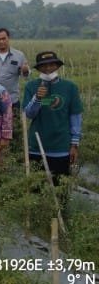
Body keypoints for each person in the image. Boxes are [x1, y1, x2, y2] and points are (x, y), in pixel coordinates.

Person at [23, 51, 83, 184]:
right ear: (38, 68)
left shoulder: (70, 87)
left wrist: (74, 144)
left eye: (51, 65)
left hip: (61, 147)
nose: (48, 69)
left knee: (60, 188)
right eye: (43, 66)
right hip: (37, 147)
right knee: (36, 188)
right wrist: (37, 98)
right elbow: (28, 114)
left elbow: (75, 117)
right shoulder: (31, 86)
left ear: (57, 66)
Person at [0, 28, 30, 111]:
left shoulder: (19, 55)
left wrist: (25, 71)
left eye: (4, 38)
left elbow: (26, 76)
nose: (1, 41)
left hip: (12, 100)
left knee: (14, 123)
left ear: (8, 38)